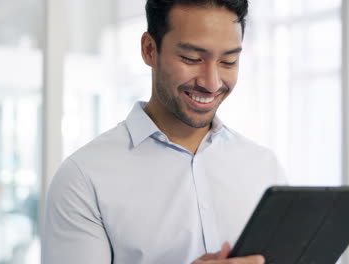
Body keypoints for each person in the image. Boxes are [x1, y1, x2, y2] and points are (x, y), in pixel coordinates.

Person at [42, 0, 286, 263]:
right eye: (192, 59)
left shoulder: (264, 168)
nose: (211, 82)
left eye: (229, 61)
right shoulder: (83, 179)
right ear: (149, 50)